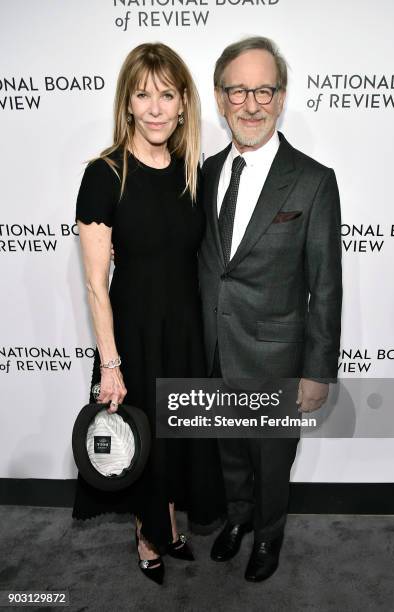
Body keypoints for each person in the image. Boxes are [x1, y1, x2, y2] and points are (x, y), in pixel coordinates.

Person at [73, 42, 225, 585]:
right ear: (128, 104)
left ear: (184, 103)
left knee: (178, 439)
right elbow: (95, 284)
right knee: (144, 442)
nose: (156, 107)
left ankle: (168, 524)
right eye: (143, 95)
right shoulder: (104, 175)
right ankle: (146, 534)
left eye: (167, 94)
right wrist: (110, 364)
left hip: (185, 329)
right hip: (133, 335)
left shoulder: (194, 175)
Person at [199, 36, 342, 582]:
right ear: (220, 97)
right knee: (228, 452)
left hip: (279, 358)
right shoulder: (205, 172)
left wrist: (317, 371)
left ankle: (269, 535)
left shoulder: (312, 180)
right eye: (238, 91)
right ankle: (237, 519)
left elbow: (327, 286)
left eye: (263, 90)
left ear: (281, 98)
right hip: (215, 348)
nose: (251, 104)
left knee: (272, 462)